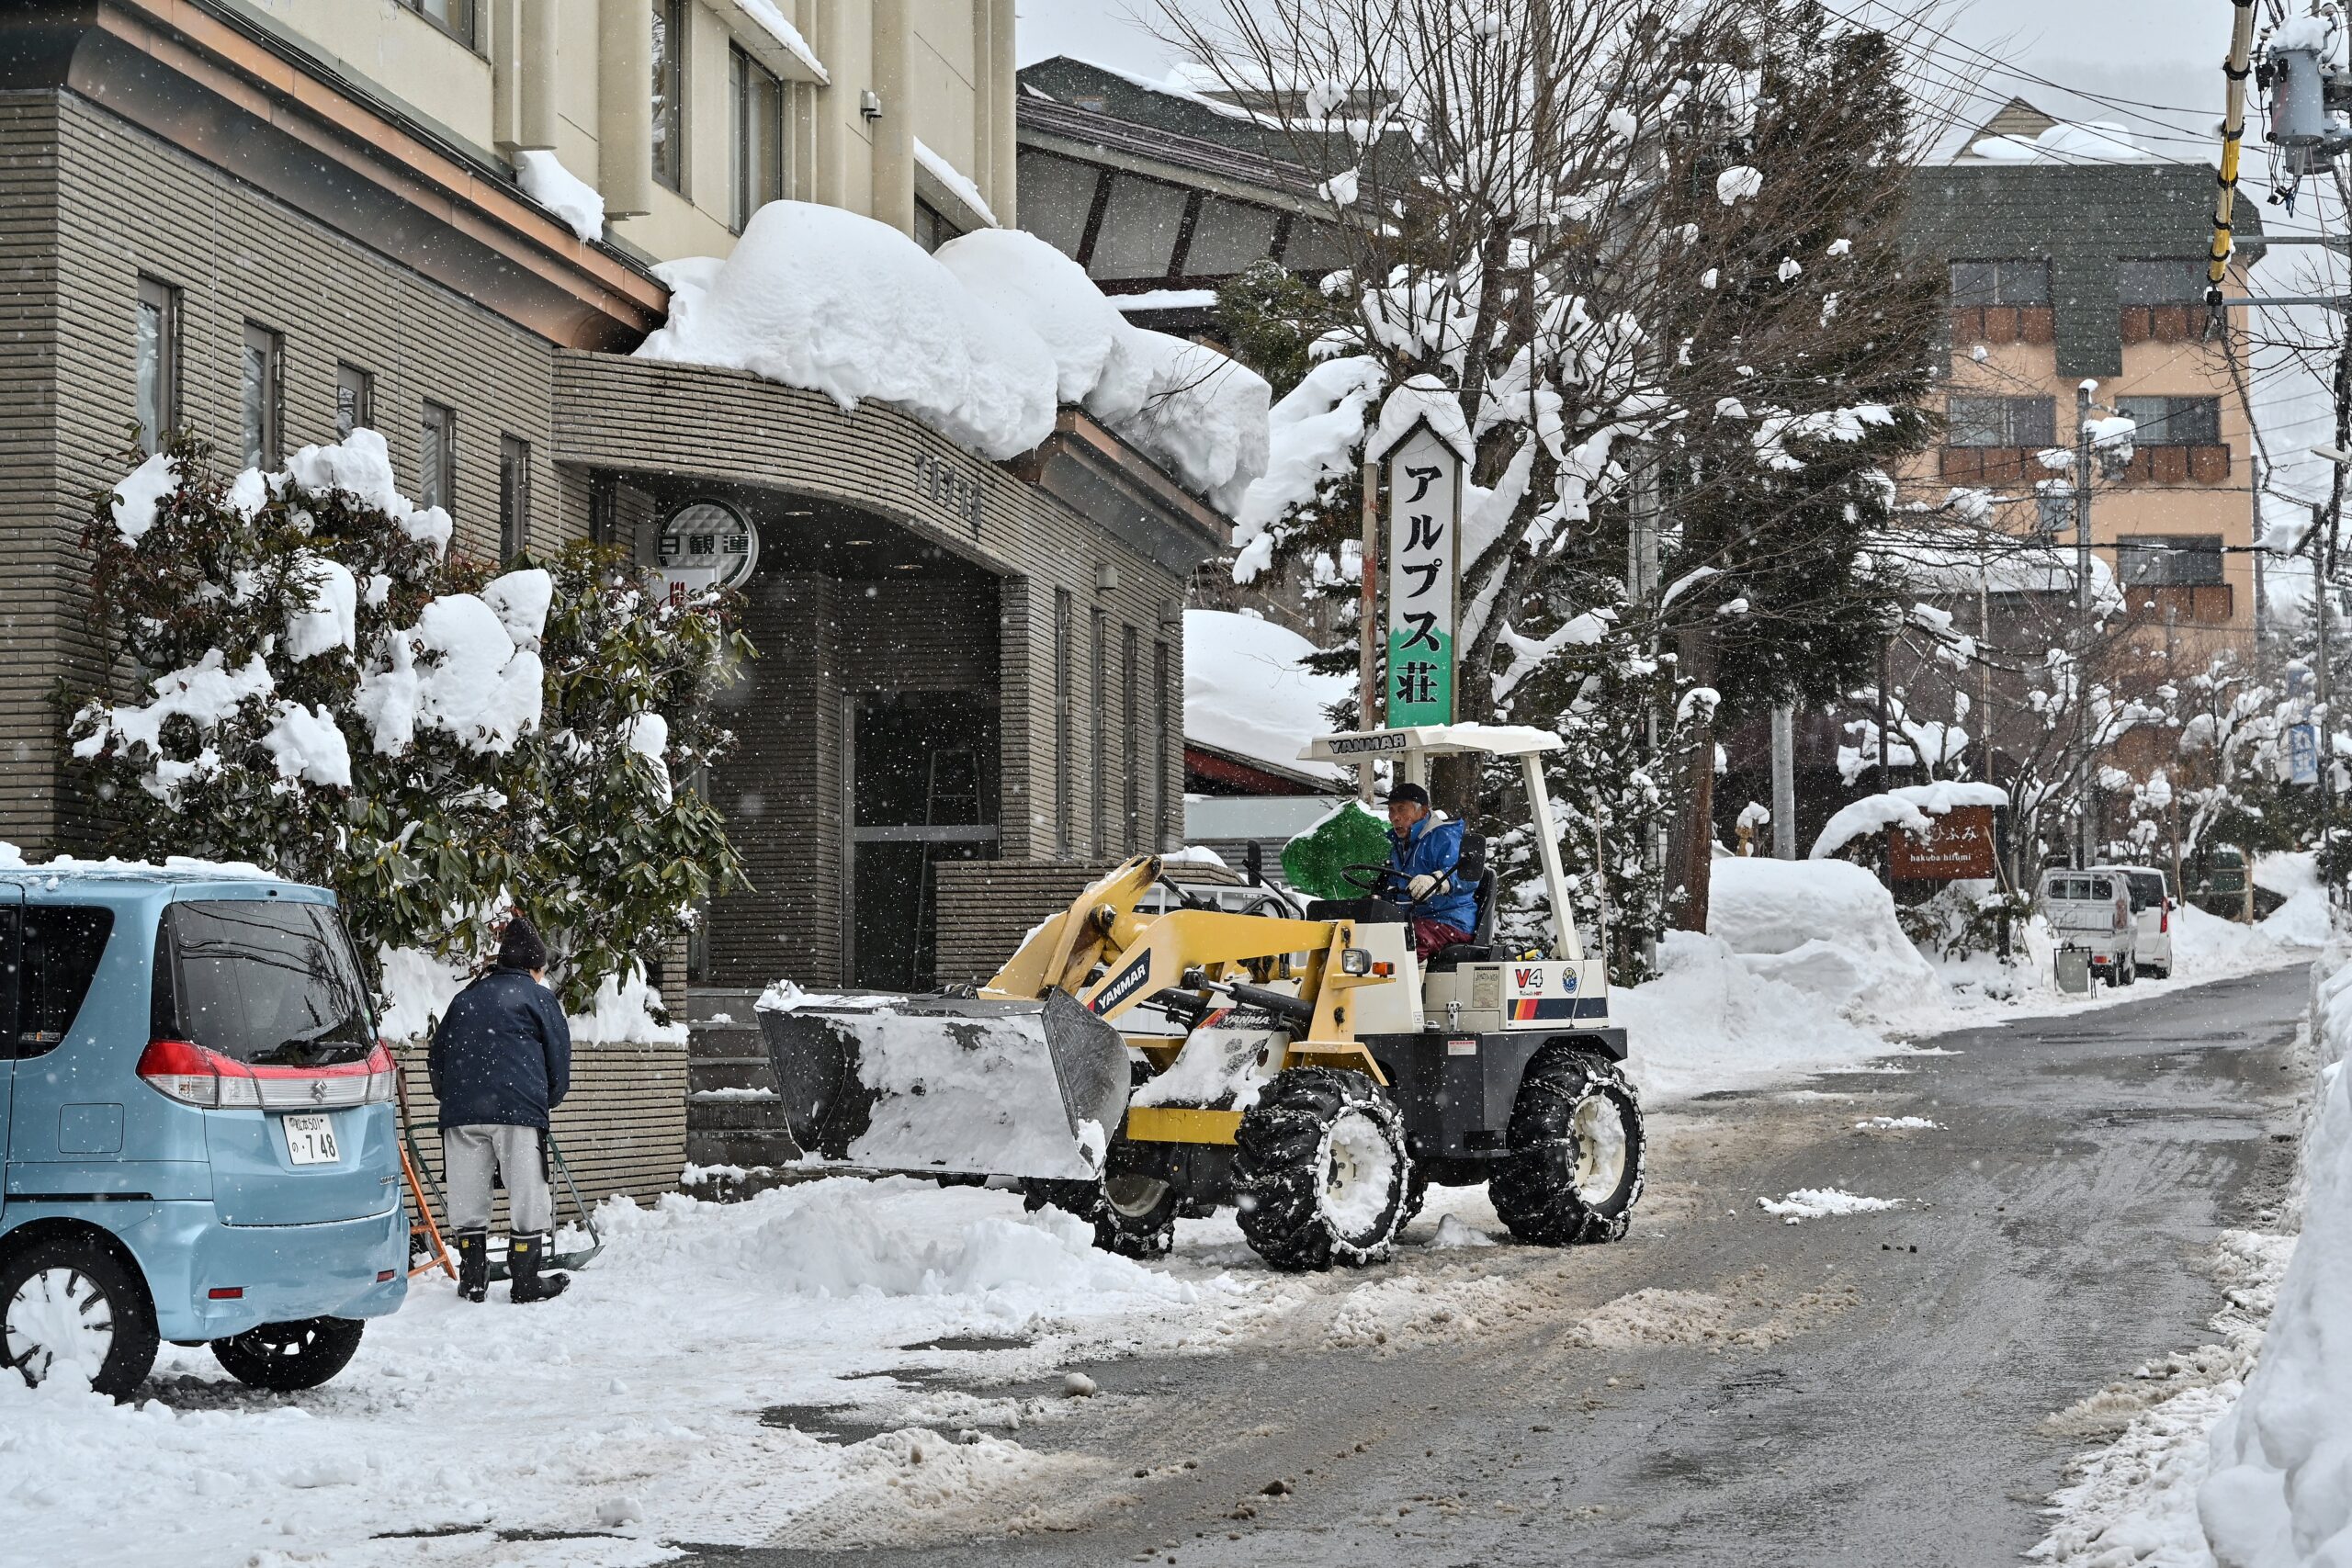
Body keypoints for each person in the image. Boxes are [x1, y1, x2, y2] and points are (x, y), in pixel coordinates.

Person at [427, 914, 573, 1304]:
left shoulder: (466, 997)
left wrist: (454, 1100)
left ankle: (473, 1278)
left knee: (468, 1196)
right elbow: (558, 1057)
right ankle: (525, 1280)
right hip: (518, 1110)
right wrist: (547, 1100)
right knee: (528, 1194)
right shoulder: (538, 997)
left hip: (462, 1114)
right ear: (533, 966)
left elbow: (437, 1055)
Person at [1381, 782, 1481, 960]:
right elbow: (1394, 885)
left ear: (1424, 811)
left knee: (1409, 940)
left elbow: (1468, 877)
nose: (1395, 817)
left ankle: (1408, 988)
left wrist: (1437, 881)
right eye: (1391, 810)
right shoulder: (1398, 846)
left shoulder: (1443, 837)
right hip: (1415, 919)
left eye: (1402, 809)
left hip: (1450, 920)